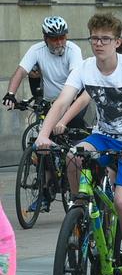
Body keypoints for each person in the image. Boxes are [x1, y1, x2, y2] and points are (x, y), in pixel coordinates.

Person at [35, 12, 122, 275]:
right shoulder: (86, 68)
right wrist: (44, 135)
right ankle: (81, 212)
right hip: (103, 135)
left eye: (105, 39)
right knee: (75, 156)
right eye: (94, 38)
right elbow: (63, 100)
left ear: (117, 42)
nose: (98, 44)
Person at [3, 16, 86, 212]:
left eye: (62, 37)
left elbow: (75, 78)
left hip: (74, 101)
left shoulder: (73, 50)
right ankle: (45, 193)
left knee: (74, 147)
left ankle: (75, 188)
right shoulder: (36, 50)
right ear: (45, 38)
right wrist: (11, 94)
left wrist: (65, 105)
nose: (58, 42)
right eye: (53, 38)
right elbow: (20, 72)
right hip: (51, 103)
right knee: (42, 146)